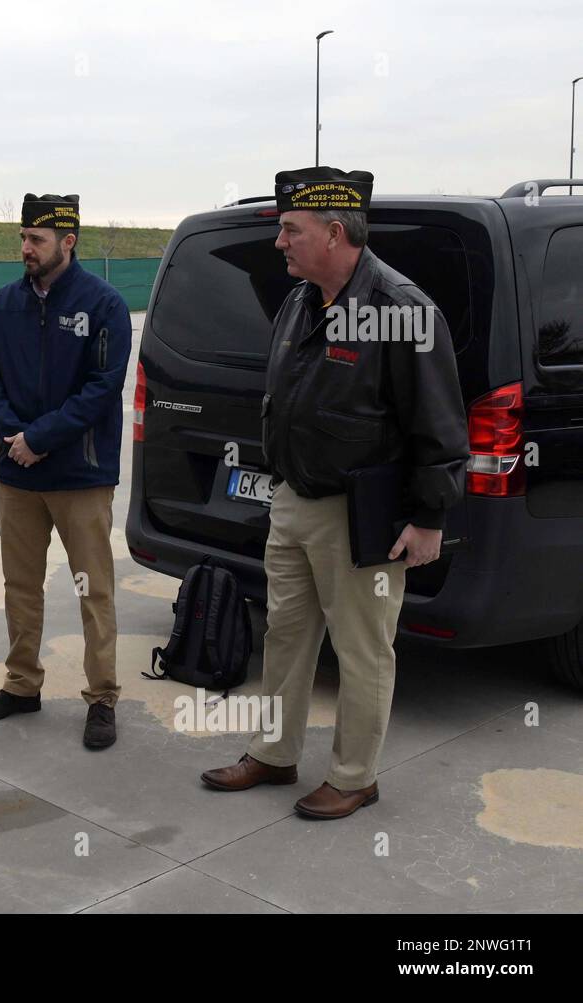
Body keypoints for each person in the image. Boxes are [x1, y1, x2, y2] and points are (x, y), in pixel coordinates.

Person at [201, 167, 469, 818]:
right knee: (286, 637)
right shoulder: (301, 300)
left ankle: (355, 774)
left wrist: (430, 516)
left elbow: (438, 424)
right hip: (293, 501)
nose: (279, 242)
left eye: (291, 230)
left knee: (363, 649)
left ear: (334, 231)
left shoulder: (401, 311)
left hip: (360, 514)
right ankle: (273, 752)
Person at [0, 193, 132, 749]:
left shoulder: (103, 304)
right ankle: (22, 683)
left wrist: (39, 438)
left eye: (36, 239)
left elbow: (103, 387)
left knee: (93, 589)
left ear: (69, 241)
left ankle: (102, 696)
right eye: (22, 237)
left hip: (80, 475)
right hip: (18, 474)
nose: (26, 248)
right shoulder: (5, 303)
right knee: (21, 585)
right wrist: (15, 436)